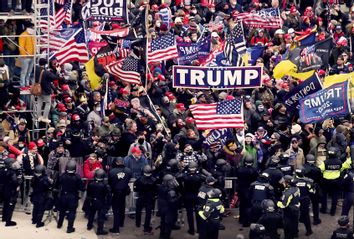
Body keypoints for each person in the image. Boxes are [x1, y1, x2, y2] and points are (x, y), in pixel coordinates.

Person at [319, 147, 351, 216]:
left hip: (326, 182)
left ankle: (323, 210)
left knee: (324, 196)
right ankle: (332, 212)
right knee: (335, 197)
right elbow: (343, 168)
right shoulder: (339, 162)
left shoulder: (325, 162)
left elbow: (319, 170)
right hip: (336, 182)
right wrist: (348, 156)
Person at [57, 160, 85, 233]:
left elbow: (58, 184)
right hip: (73, 196)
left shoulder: (62, 176)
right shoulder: (77, 177)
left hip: (64, 195)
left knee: (62, 211)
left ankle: (59, 224)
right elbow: (82, 188)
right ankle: (69, 228)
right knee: (72, 212)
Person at [108, 157, 132, 234]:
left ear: (116, 163)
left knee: (116, 210)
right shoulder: (128, 170)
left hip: (116, 192)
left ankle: (116, 228)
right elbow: (128, 179)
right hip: (124, 192)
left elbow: (110, 182)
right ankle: (121, 223)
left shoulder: (112, 171)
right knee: (122, 208)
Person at [133, 165, 157, 235]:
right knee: (148, 213)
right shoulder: (154, 180)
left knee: (138, 211)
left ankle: (137, 223)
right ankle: (146, 228)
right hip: (149, 198)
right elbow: (155, 190)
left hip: (141, 197)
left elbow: (135, 189)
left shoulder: (139, 179)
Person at [86, 169, 111, 235]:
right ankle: (100, 230)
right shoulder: (105, 185)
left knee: (91, 214)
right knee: (101, 217)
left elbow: (88, 193)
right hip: (101, 202)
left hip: (93, 201)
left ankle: (89, 226)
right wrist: (108, 204)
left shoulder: (91, 184)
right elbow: (108, 195)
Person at [34, 58, 57, 124]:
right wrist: (56, 71)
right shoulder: (46, 72)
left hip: (38, 90)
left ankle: (39, 116)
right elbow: (54, 77)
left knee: (39, 103)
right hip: (46, 90)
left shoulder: (37, 69)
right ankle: (45, 117)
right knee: (48, 103)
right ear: (45, 64)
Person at [158, 174, 181, 239]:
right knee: (168, 223)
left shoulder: (161, 187)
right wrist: (179, 197)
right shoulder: (171, 190)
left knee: (162, 222)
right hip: (169, 209)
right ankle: (166, 237)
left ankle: (161, 235)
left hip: (161, 207)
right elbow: (172, 201)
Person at [293, 167, 314, 236]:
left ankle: (295, 232)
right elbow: (311, 191)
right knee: (306, 216)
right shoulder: (308, 181)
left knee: (295, 216)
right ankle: (309, 231)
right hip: (305, 200)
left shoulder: (293, 181)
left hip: (295, 200)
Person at [2, 158, 21, 226]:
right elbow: (15, 181)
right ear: (10, 164)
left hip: (3, 190)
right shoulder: (12, 172)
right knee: (10, 205)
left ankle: (4, 218)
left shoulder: (2, 170)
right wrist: (18, 185)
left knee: (5, 204)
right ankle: (8, 221)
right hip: (11, 191)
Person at [18, 23, 35, 88]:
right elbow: (21, 46)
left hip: (32, 56)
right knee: (24, 72)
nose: (33, 29)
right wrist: (24, 54)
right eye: (32, 27)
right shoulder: (23, 35)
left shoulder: (33, 35)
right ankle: (22, 85)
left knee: (29, 71)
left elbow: (34, 45)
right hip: (25, 57)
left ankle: (27, 84)